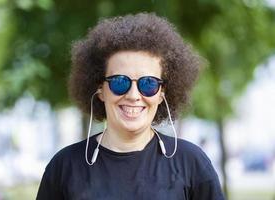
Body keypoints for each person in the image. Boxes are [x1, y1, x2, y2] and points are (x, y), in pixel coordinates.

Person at [36, 13, 225, 200]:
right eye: (119, 82)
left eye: (148, 84)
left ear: (162, 93)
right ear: (100, 89)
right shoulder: (64, 167)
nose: (134, 96)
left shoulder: (191, 163)